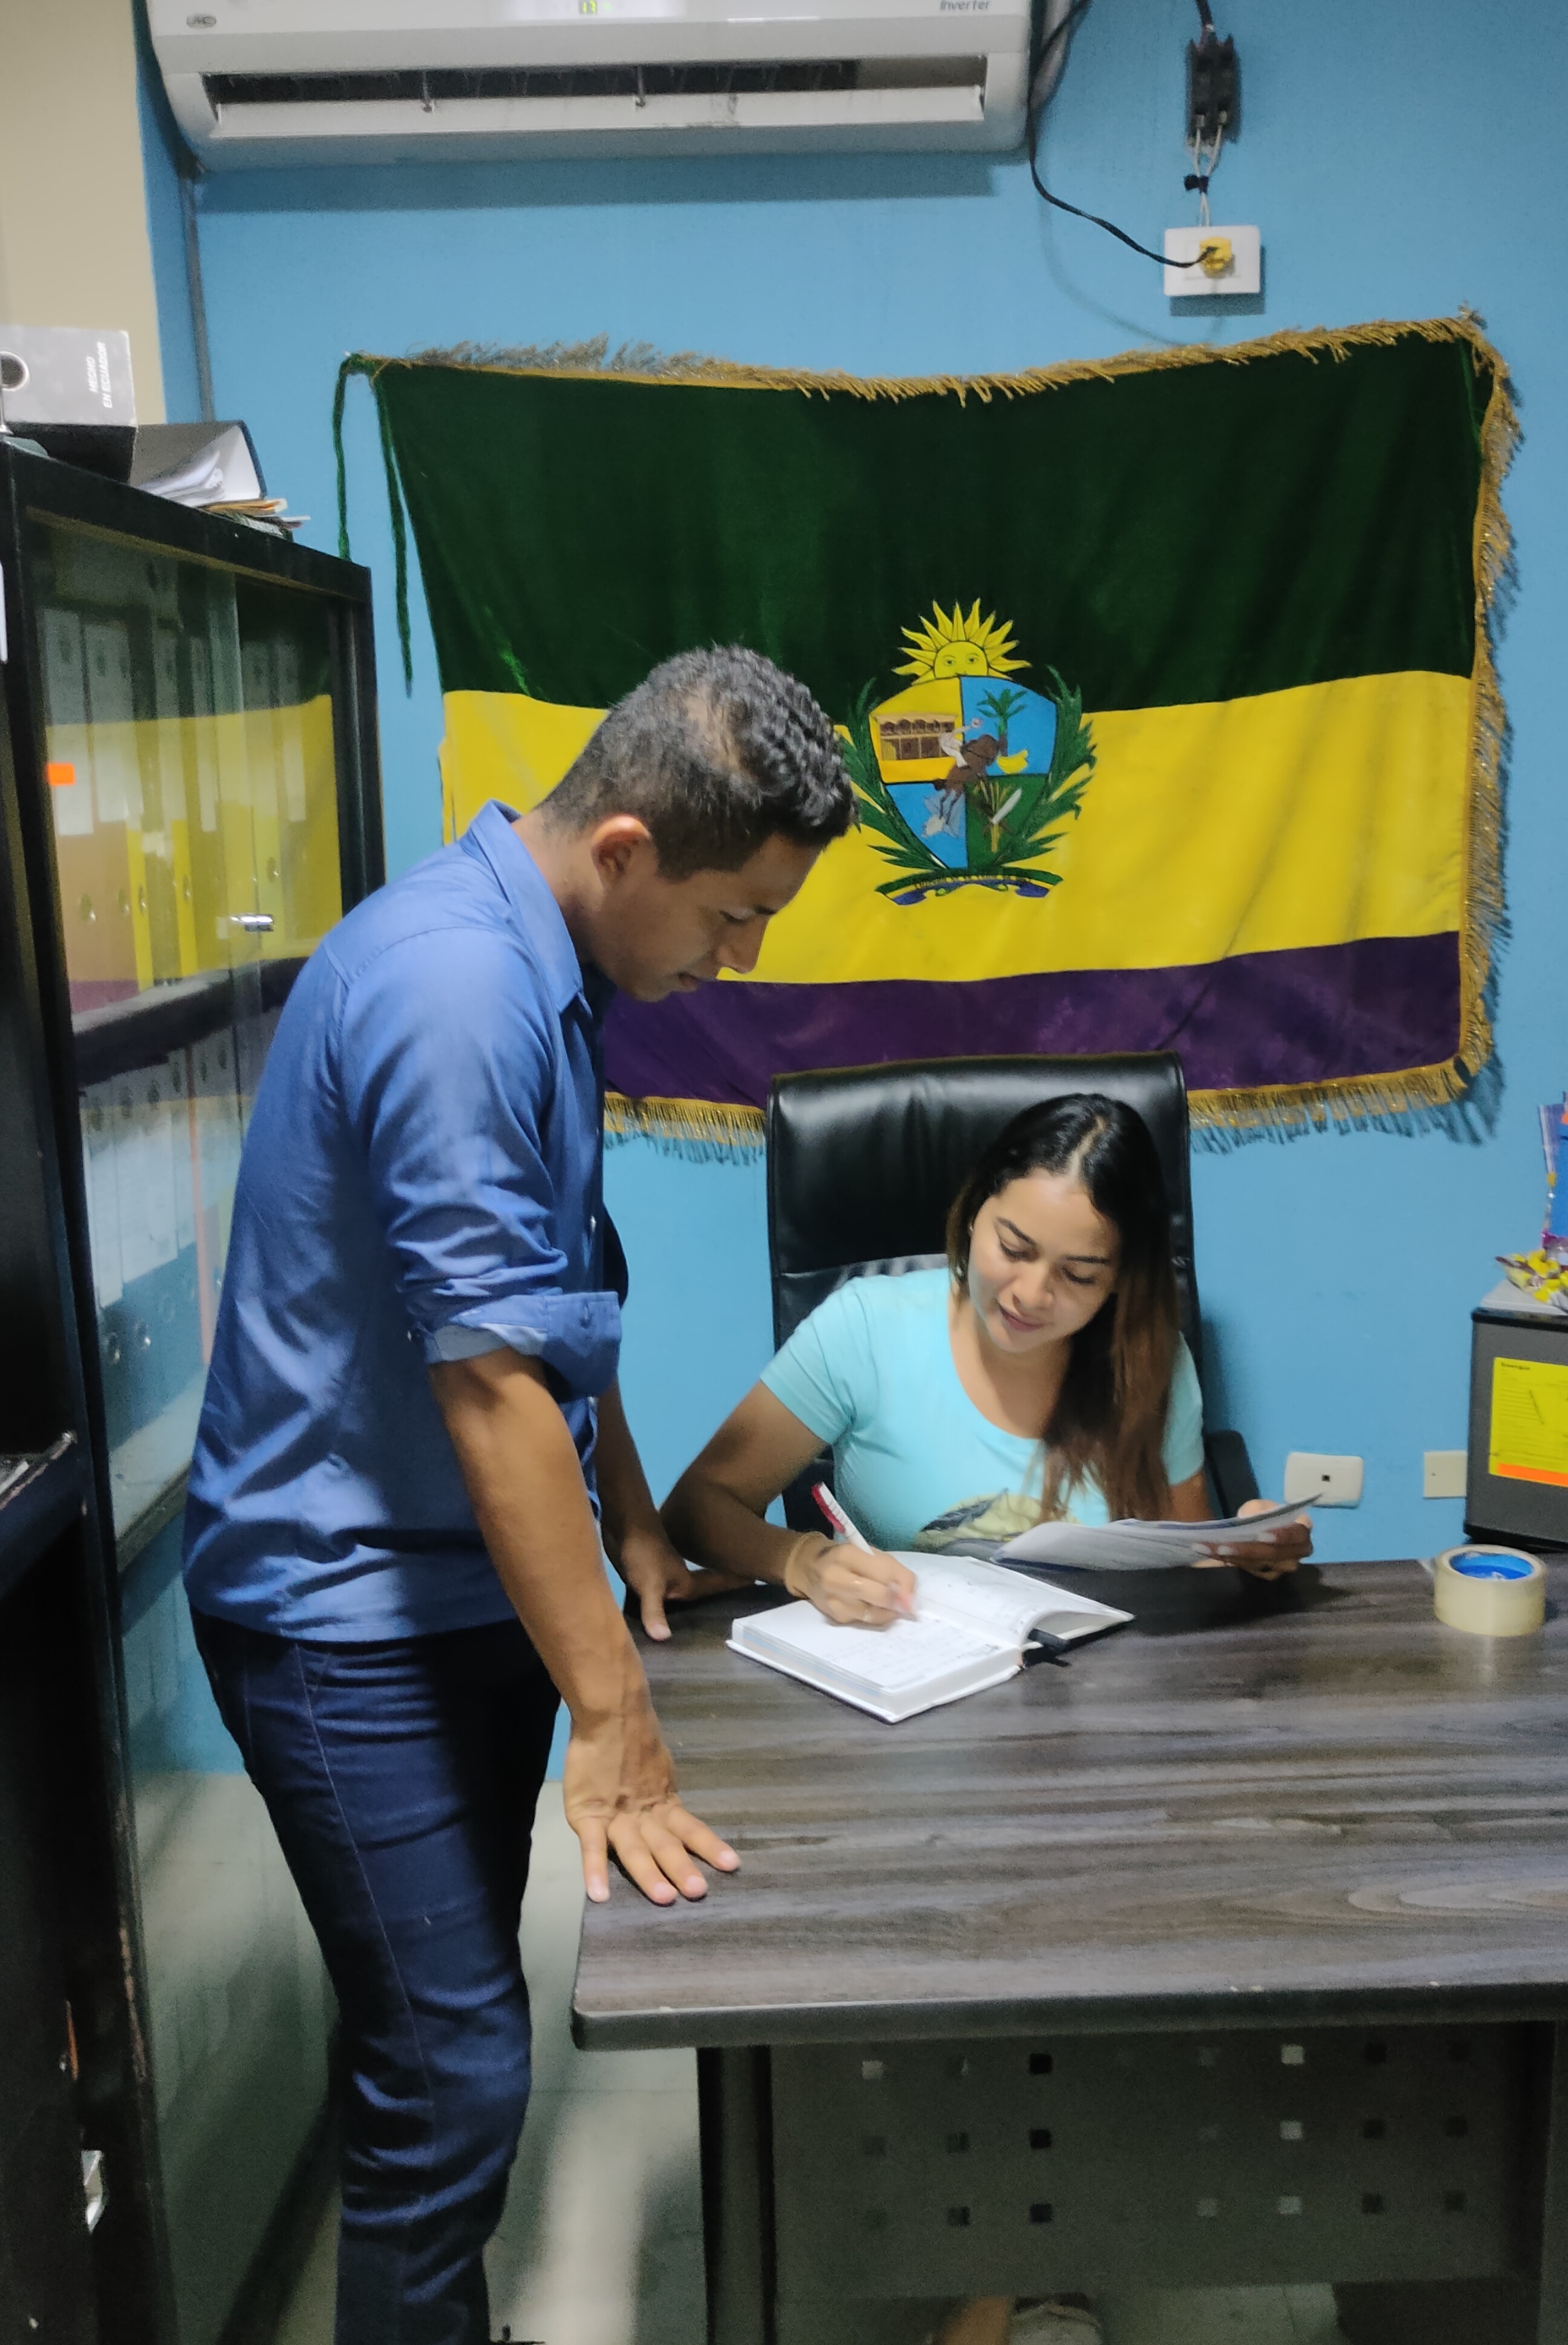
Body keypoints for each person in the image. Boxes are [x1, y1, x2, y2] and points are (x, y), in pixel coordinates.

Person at [181, 645, 853, 2345]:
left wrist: (626, 1510)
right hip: (341, 1611)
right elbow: (486, 1386)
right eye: (733, 915)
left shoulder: (551, 962)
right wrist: (616, 1718)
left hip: (465, 1578)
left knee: (439, 2026)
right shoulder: (458, 987)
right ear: (626, 847)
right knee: (455, 2077)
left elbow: (554, 1294)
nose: (741, 957)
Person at [663, 1092, 1312, 2345]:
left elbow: (1176, 1547)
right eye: (1013, 1247)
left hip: (1097, 1753)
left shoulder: (1146, 1361)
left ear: (1124, 1280)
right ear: (971, 1214)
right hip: (911, 1736)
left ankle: (1012, 2266)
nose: (1031, 1293)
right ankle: (1012, 2266)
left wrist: (1238, 1548)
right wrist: (798, 1559)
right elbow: (703, 1504)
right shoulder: (869, 1328)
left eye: (1080, 1275)